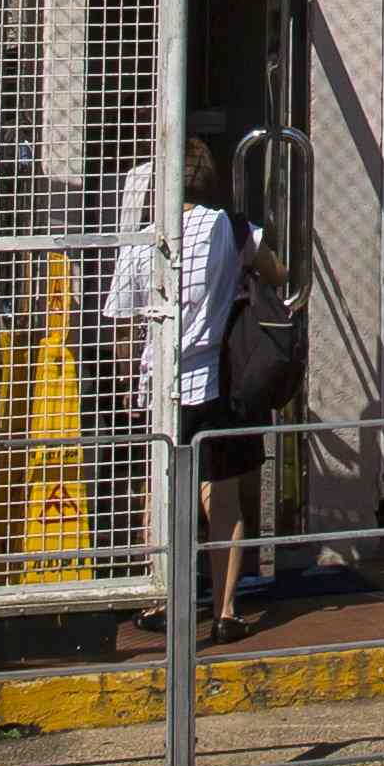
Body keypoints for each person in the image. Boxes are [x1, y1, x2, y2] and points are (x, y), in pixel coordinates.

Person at [105, 137, 266, 642]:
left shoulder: (142, 240)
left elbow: (120, 320)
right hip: (213, 381)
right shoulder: (231, 228)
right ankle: (225, 611)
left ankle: (161, 600)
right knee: (222, 496)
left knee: (160, 491)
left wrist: (129, 378)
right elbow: (280, 271)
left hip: (158, 384)